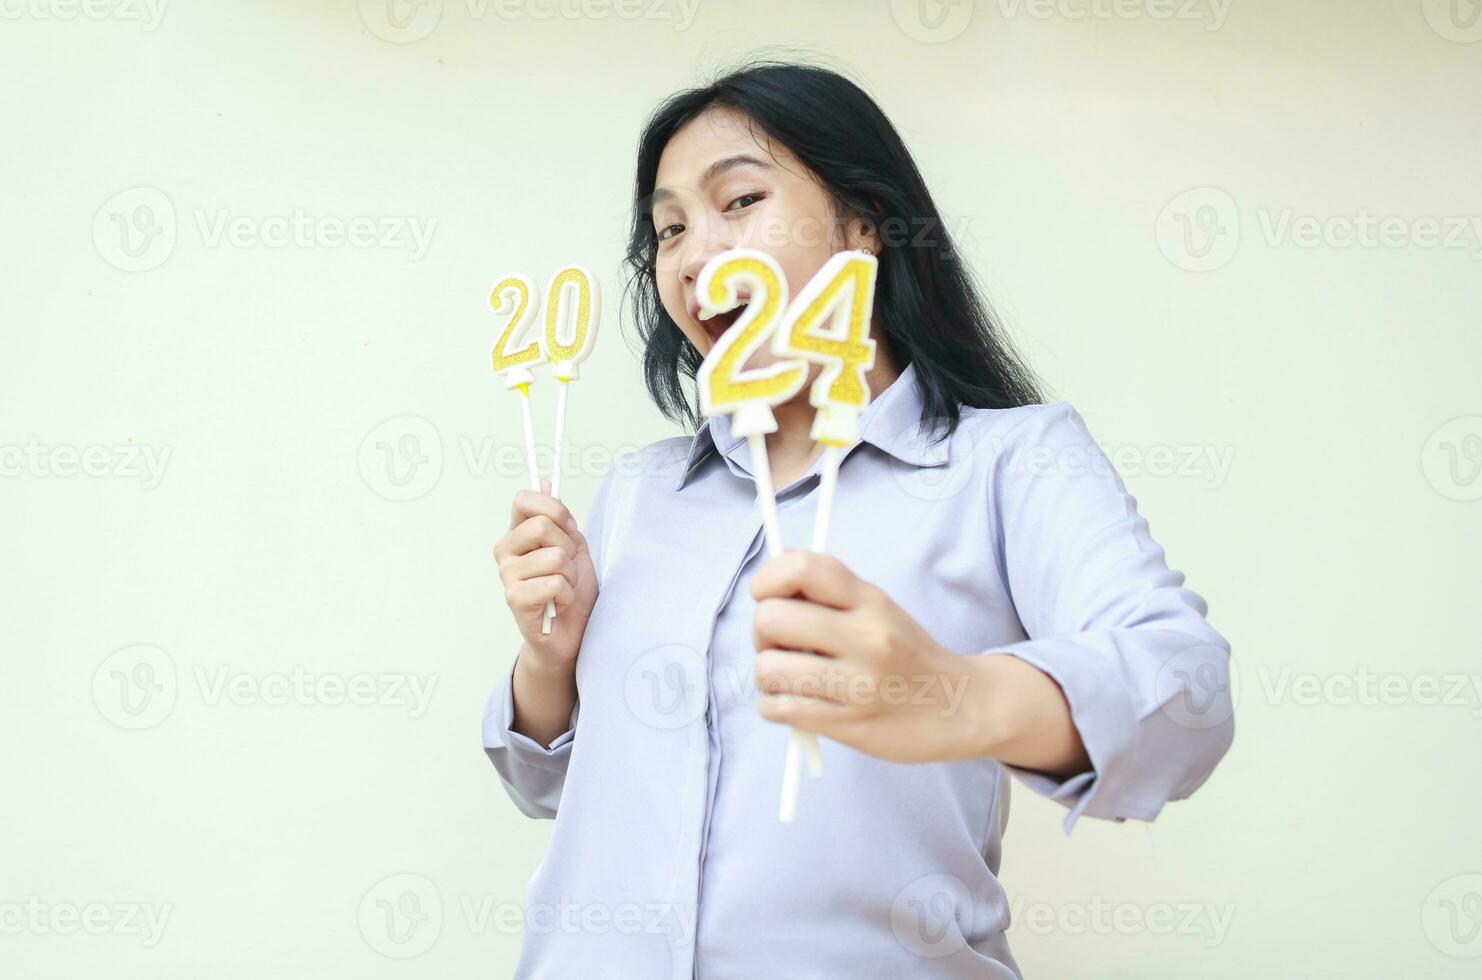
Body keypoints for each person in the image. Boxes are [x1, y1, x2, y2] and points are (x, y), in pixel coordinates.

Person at [484, 60, 1234, 979]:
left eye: (741, 200)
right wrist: (547, 662)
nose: (692, 254)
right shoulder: (639, 492)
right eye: (669, 229)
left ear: (865, 225)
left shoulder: (1010, 461)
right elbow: (556, 789)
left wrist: (951, 694)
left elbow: (1188, 698)